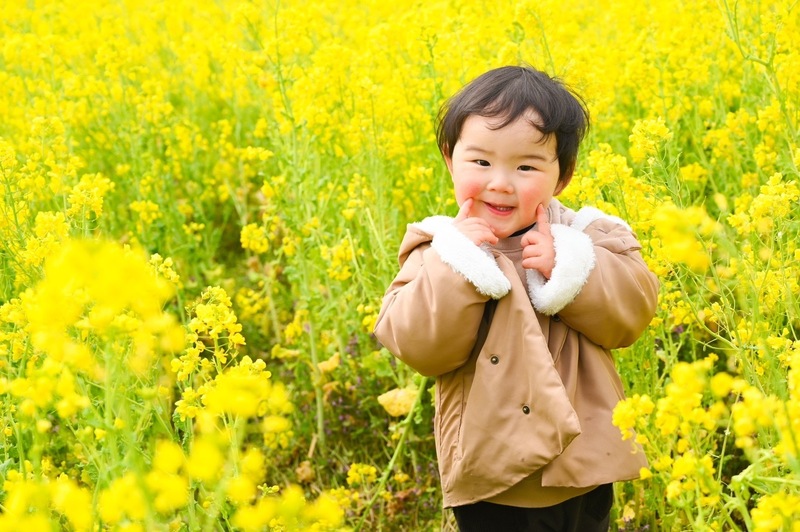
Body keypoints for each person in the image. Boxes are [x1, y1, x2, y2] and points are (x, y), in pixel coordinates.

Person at [373, 65, 659, 532]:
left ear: (562, 177)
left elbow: (631, 315)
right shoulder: (437, 249)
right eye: (480, 163)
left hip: (585, 467)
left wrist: (570, 267)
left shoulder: (586, 238)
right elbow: (419, 346)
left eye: (526, 166)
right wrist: (458, 266)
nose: (500, 183)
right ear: (450, 159)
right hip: (495, 477)